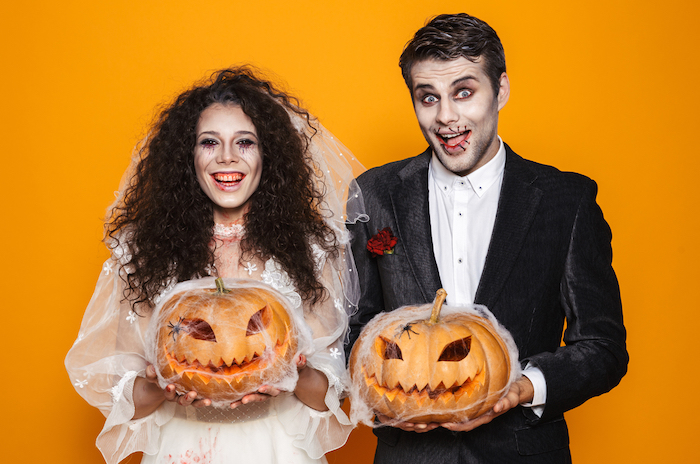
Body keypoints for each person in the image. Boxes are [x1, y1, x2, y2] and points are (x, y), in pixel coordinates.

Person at [347, 13, 628, 463]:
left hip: (523, 451)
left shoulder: (566, 200)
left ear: (501, 90)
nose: (446, 117)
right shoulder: (375, 194)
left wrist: (523, 388)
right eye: (428, 97)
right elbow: (355, 330)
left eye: (464, 92)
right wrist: (386, 398)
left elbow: (602, 347)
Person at [66, 67, 365, 464]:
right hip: (182, 448)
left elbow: (331, 390)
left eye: (245, 142)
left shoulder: (308, 250)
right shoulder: (143, 252)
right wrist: (161, 387)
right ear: (187, 157)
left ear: (267, 155)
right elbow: (121, 395)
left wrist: (293, 375)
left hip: (281, 449)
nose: (228, 157)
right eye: (210, 143)